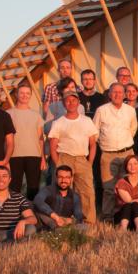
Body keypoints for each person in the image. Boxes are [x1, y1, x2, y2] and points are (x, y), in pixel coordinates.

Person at [48, 91, 98, 224]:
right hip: (65, 158)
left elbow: (93, 144)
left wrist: (89, 162)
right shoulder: (58, 122)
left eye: (74, 100)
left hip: (82, 159)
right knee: (62, 191)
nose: (71, 103)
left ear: (78, 102)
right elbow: (52, 147)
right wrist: (58, 164)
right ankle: (62, 220)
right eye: (68, 101)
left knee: (87, 191)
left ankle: (89, 222)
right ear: (64, 103)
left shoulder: (86, 121)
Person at [93, 83, 138, 220]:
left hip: (126, 153)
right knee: (108, 188)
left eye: (120, 92)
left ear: (124, 94)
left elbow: (133, 129)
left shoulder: (130, 110)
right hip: (108, 154)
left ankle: (125, 215)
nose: (117, 95)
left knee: (127, 185)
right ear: (110, 94)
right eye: (114, 92)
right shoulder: (101, 110)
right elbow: (95, 132)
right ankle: (108, 216)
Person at [7, 84, 45, 199]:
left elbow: (40, 138)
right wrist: (6, 159)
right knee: (14, 187)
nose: (25, 96)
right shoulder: (8, 114)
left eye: (27, 93)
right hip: (14, 155)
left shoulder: (36, 115)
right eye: (22, 93)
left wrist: (43, 158)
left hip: (34, 155)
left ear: (31, 96)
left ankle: (31, 213)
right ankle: (14, 212)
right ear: (16, 94)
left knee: (33, 188)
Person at [33, 165, 86, 231]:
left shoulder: (75, 196)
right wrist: (56, 217)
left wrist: (68, 220)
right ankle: (56, 230)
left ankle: (62, 231)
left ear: (71, 179)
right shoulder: (48, 190)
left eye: (67, 177)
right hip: (48, 219)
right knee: (47, 219)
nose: (63, 180)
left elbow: (78, 215)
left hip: (64, 222)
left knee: (84, 227)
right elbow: (38, 201)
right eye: (60, 177)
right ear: (56, 178)